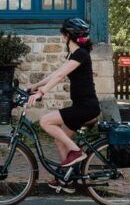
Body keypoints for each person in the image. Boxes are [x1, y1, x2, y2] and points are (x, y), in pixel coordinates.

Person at [26, 17, 101, 193]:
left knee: (45, 121)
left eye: (63, 35)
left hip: (85, 108)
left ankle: (76, 152)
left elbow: (59, 76)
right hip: (82, 106)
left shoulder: (81, 54)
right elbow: (57, 73)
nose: (61, 38)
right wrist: (35, 86)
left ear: (68, 36)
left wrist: (41, 93)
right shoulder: (74, 54)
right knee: (59, 140)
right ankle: (66, 179)